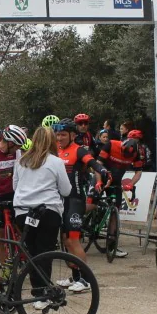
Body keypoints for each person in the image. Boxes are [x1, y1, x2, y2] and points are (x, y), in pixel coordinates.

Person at [12, 126, 72, 309]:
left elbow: (15, 186)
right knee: (46, 252)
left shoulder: (22, 161)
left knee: (31, 252)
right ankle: (43, 293)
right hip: (48, 211)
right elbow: (66, 190)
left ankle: (37, 292)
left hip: (23, 211)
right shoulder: (56, 162)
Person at [53, 119, 107, 288]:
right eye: (57, 134)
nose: (59, 138)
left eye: (63, 134)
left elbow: (93, 163)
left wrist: (103, 171)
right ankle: (75, 277)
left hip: (75, 200)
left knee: (73, 241)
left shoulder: (79, 150)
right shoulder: (55, 150)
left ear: (73, 135)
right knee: (65, 240)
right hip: (60, 201)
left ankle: (85, 279)